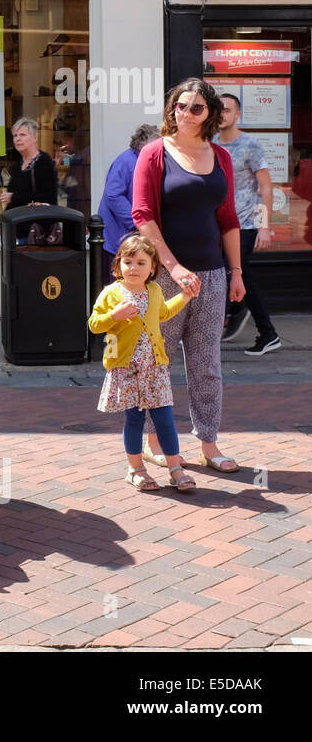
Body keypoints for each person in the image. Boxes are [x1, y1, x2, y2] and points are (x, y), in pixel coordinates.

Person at [133, 78, 244, 474]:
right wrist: (173, 266)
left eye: (196, 108)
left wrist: (236, 272)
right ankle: (152, 441)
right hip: (165, 277)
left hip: (212, 274)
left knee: (206, 363)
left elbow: (228, 219)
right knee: (154, 360)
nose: (186, 113)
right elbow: (142, 215)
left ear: (210, 114)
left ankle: (209, 443)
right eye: (180, 106)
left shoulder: (222, 157)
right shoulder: (154, 153)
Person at [89, 234, 197, 492]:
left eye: (140, 263)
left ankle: (175, 469)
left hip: (155, 367)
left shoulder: (155, 290)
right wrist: (113, 316)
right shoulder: (111, 293)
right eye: (127, 262)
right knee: (135, 420)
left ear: (152, 269)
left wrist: (185, 296)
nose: (133, 268)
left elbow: (164, 313)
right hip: (127, 368)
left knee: (165, 418)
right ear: (118, 265)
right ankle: (136, 469)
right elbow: (94, 324)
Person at [216, 93, 280, 355]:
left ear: (238, 114)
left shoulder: (250, 145)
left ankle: (266, 331)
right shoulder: (210, 144)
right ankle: (242, 314)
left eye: (228, 110)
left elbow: (266, 188)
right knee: (232, 275)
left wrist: (264, 226)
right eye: (219, 110)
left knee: (237, 274)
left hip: (245, 224)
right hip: (219, 224)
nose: (222, 114)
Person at [96, 123, 160, 284]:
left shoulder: (147, 161)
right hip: (118, 237)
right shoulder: (126, 161)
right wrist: (137, 223)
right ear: (143, 143)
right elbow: (113, 195)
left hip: (134, 238)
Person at [0, 117, 58, 240]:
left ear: (35, 138)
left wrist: (14, 196)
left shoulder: (44, 162)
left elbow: (47, 198)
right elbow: (12, 205)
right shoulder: (17, 167)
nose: (17, 139)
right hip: (22, 233)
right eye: (15, 135)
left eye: (22, 135)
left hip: (40, 233)